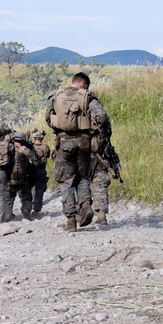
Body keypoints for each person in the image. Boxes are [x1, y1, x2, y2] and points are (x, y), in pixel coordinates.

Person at [45, 72, 107, 232]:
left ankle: (71, 220)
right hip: (84, 143)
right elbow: (101, 116)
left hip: (64, 143)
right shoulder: (88, 97)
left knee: (66, 181)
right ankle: (86, 206)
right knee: (83, 178)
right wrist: (92, 130)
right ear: (83, 84)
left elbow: (48, 118)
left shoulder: (56, 96)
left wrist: (61, 129)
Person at [90, 115, 122, 225]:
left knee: (82, 185)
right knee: (100, 186)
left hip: (87, 159)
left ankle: (82, 212)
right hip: (101, 160)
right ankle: (101, 215)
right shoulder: (103, 120)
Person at [8, 131, 39, 220]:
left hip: (10, 179)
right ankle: (26, 210)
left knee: (9, 198)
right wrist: (29, 171)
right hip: (23, 178)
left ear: (13, 140)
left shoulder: (9, 149)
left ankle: (8, 213)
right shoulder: (27, 150)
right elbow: (35, 163)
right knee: (26, 198)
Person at [30, 129, 51, 216]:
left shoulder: (30, 146)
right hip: (41, 170)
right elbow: (48, 155)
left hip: (31, 170)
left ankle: (28, 206)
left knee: (30, 189)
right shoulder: (45, 147)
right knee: (39, 191)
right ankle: (36, 210)